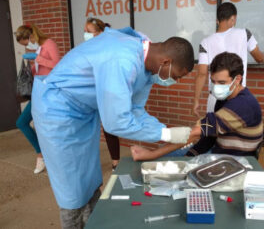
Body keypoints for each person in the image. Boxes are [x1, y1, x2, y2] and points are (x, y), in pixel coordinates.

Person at [31, 26, 195, 228]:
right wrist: (166, 133)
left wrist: (165, 131)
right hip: (57, 110)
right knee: (71, 190)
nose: (175, 81)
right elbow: (117, 122)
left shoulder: (149, 66)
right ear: (166, 62)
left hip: (84, 112)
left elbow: (135, 110)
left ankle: (94, 221)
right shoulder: (123, 60)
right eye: (177, 76)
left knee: (89, 178)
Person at [131, 52, 263, 161]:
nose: (216, 87)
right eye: (213, 81)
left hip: (233, 162)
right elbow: (209, 136)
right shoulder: (225, 99)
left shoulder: (243, 105)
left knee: (160, 161)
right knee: (169, 157)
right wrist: (191, 155)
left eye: (222, 82)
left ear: (238, 79)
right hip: (217, 151)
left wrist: (151, 154)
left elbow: (195, 133)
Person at [193, 2, 264, 117]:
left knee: (213, 130)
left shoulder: (205, 42)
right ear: (233, 19)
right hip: (236, 95)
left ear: (217, 20)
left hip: (215, 97)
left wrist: (196, 101)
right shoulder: (244, 34)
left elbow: (202, 74)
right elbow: (259, 57)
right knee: (235, 133)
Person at [14, 24, 60, 174]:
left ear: (31, 36)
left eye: (27, 43)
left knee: (43, 125)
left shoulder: (49, 44)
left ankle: (43, 156)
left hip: (48, 91)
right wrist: (31, 68)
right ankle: (41, 154)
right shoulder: (40, 47)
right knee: (23, 123)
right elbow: (41, 69)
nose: (28, 46)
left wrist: (37, 58)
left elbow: (57, 65)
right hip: (39, 90)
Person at [83, 17, 119, 169]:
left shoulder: (109, 47)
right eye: (84, 31)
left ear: (100, 33)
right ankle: (89, 161)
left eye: (89, 32)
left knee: (109, 127)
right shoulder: (87, 47)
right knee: (89, 127)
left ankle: (116, 161)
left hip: (107, 90)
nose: (85, 34)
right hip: (90, 90)